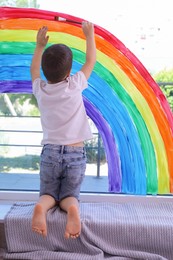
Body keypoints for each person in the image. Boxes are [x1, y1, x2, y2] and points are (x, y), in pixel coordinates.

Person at [30, 21, 96, 239]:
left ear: (45, 72)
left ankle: (42, 206)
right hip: (75, 153)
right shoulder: (74, 84)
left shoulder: (41, 89)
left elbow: (33, 71)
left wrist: (39, 47)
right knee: (70, 195)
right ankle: (72, 209)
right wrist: (89, 35)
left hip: (50, 152)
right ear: (69, 72)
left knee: (49, 193)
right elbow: (90, 61)